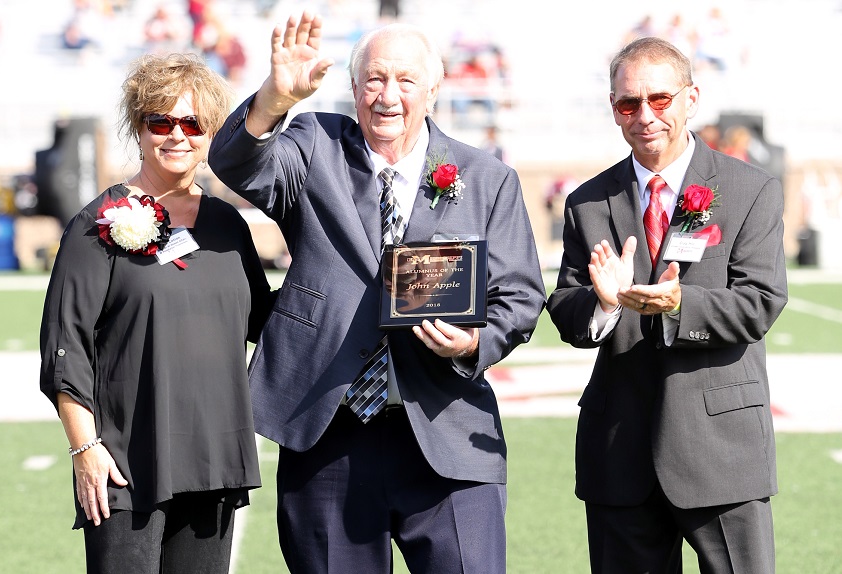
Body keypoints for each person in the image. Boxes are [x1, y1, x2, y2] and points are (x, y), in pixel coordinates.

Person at [208, 12, 545, 573]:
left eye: (406, 80)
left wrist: (471, 343)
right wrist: (273, 99)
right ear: (354, 86)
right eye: (374, 79)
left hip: (446, 429)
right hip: (327, 428)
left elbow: (520, 296)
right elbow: (234, 163)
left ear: (433, 90)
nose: (388, 96)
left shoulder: (488, 178)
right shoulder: (314, 144)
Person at [546, 36, 787, 573]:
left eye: (659, 99)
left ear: (690, 98)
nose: (645, 116)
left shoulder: (750, 189)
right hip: (618, 452)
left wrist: (679, 304)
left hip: (722, 450)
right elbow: (564, 307)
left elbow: (761, 301)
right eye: (628, 103)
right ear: (613, 108)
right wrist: (603, 304)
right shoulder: (587, 201)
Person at [39, 52, 274, 573]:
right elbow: (64, 348)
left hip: (213, 458)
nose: (177, 136)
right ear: (138, 128)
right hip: (124, 462)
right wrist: (85, 450)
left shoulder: (227, 225)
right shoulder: (96, 225)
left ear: (211, 133)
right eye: (160, 122)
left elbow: (267, 322)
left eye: (193, 123)